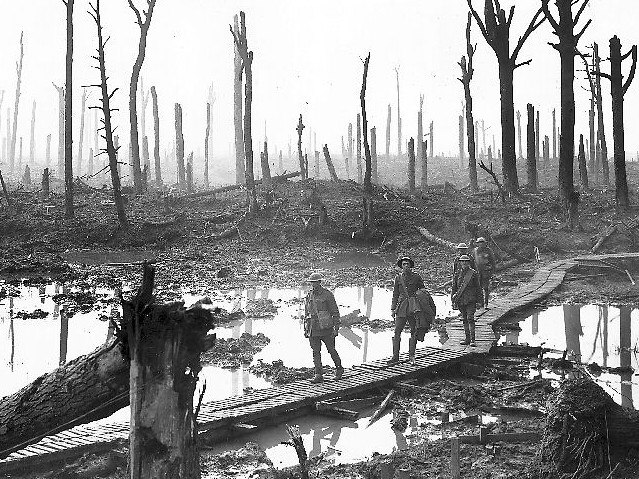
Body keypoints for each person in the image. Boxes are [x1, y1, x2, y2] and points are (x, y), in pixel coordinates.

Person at [390, 256, 435, 365]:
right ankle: (395, 357)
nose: (406, 266)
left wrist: (422, 305)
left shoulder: (416, 277)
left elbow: (423, 292)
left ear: (411, 266)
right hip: (401, 307)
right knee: (397, 331)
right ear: (401, 266)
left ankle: (412, 356)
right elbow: (395, 294)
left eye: (407, 264)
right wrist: (392, 308)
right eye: (404, 264)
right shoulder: (398, 278)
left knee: (414, 330)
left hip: (413, 307)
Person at [304, 272, 343, 383]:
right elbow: (307, 313)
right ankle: (318, 374)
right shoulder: (309, 295)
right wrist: (306, 329)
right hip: (313, 328)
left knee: (331, 350)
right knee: (315, 352)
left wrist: (336, 328)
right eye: (311, 283)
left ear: (320, 282)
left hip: (326, 328)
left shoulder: (327, 295)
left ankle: (339, 369)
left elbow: (335, 312)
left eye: (315, 282)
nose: (313, 285)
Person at [451, 255, 482, 346]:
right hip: (461, 299)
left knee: (470, 318)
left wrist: (480, 301)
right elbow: (454, 288)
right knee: (464, 319)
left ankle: (473, 340)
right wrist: (453, 299)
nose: (464, 263)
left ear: (469, 263)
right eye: (462, 261)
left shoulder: (473, 273)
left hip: (471, 299)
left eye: (466, 261)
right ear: (460, 263)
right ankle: (467, 339)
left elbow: (478, 288)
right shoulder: (457, 274)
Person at [472, 237, 496, 307]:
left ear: (485, 243)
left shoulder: (488, 251)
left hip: (486, 271)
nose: (481, 244)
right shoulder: (475, 251)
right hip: (477, 272)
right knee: (478, 287)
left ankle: (486, 303)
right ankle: (480, 302)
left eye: (482, 242)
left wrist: (493, 271)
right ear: (477, 244)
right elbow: (472, 261)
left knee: (485, 287)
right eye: (480, 243)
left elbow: (493, 261)